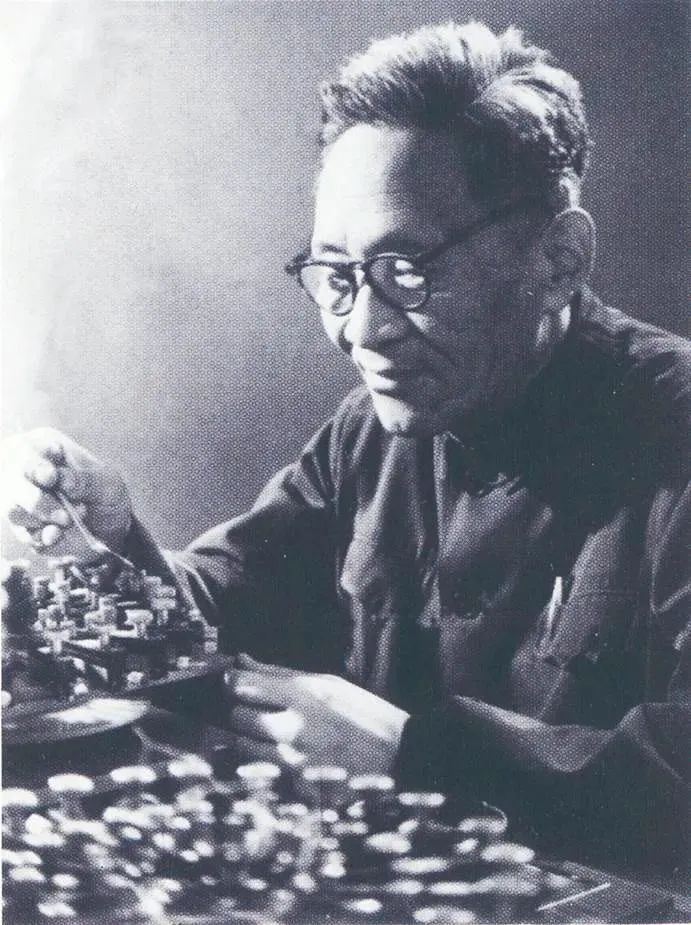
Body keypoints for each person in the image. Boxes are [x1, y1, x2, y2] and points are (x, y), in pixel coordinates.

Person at [2, 21, 689, 869]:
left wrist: (416, 752)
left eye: (408, 270)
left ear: (558, 259)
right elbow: (222, 615)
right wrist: (109, 541)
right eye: (336, 275)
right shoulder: (369, 432)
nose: (360, 330)